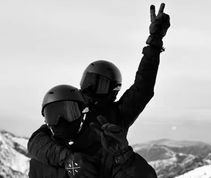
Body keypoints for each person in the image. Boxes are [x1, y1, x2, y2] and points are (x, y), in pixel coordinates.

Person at [28, 2, 170, 168]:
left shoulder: (118, 114)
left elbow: (142, 88)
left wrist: (154, 44)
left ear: (113, 91)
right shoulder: (71, 107)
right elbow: (36, 142)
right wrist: (69, 162)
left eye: (99, 84)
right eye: (88, 81)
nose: (89, 89)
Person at [27, 84, 160, 178]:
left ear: (83, 114)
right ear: (45, 121)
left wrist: (125, 156)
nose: (61, 121)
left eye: (68, 113)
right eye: (53, 116)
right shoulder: (40, 163)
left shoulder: (101, 153)